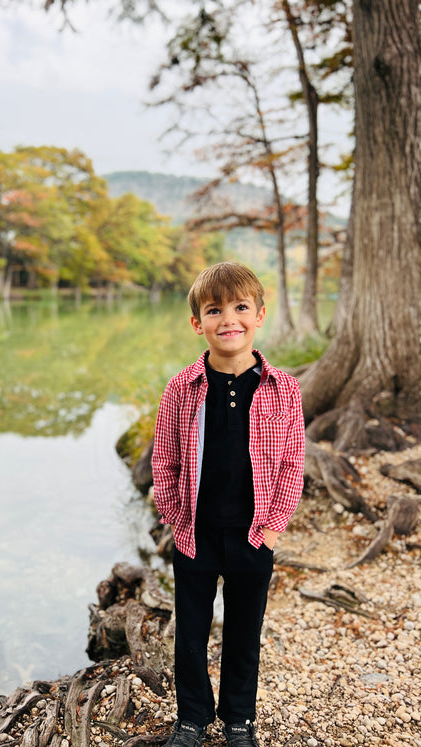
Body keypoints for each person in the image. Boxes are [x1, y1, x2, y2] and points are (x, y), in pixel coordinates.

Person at [152, 262, 305, 747]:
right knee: (191, 634)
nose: (228, 319)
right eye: (214, 310)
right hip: (197, 535)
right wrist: (178, 522)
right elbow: (166, 459)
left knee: (243, 632)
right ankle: (192, 718)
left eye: (241, 307)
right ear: (198, 322)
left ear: (259, 315)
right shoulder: (182, 387)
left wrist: (274, 526)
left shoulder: (283, 389)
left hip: (253, 534)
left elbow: (290, 462)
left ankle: (239, 719)